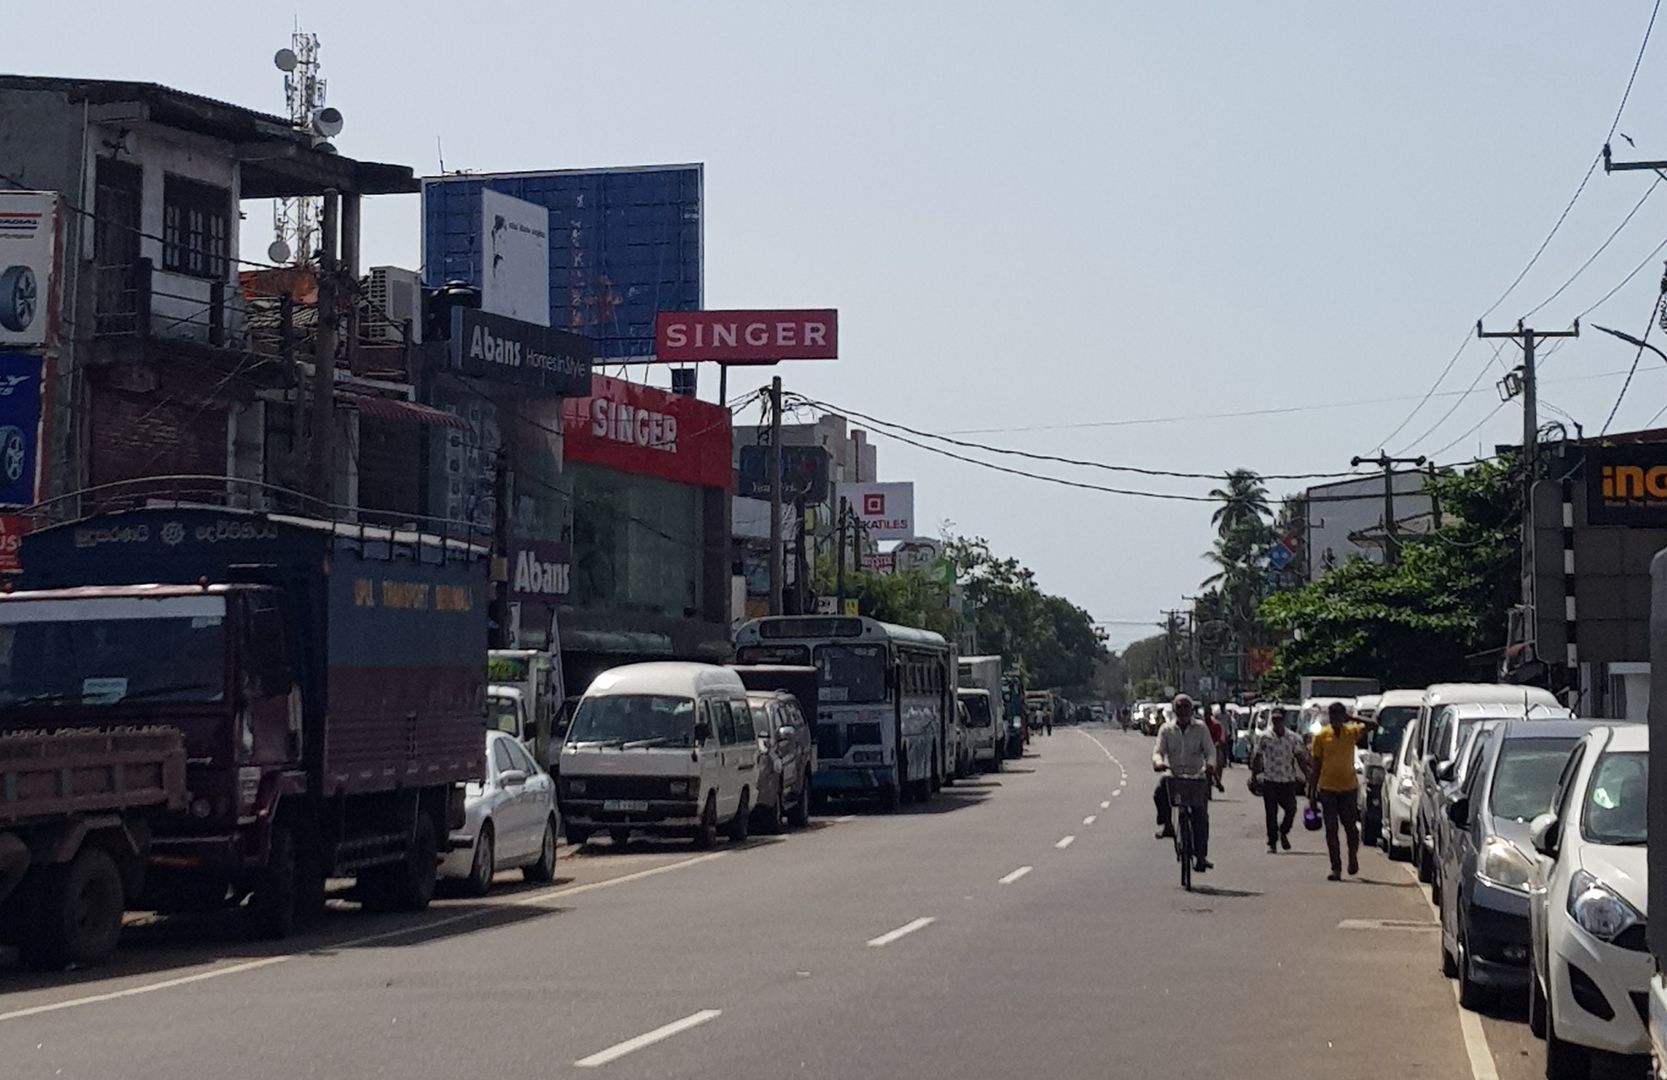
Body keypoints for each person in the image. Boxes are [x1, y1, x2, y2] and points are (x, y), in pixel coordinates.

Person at [1307, 701, 1379, 881]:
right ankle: (1336, 867)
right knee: (1331, 830)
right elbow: (1316, 766)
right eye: (1333, 715)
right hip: (1328, 788)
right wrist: (1311, 793)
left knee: (1351, 829)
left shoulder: (1350, 732)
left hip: (1348, 788)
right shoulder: (1322, 736)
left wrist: (1351, 717)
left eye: (1339, 715)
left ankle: (1352, 858)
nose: (1336, 719)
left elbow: (1373, 725)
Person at [1152, 693, 1216, 874]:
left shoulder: (1201, 729)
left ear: (1191, 710)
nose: (1182, 713)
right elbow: (1158, 751)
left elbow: (1211, 752)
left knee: (1200, 817)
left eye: (1186, 709)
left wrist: (1210, 766)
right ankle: (1167, 825)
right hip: (1174, 775)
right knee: (1159, 792)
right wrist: (1158, 763)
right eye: (1179, 709)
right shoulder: (1166, 729)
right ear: (1174, 711)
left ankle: (1201, 856)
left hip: (1196, 777)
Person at [1250, 706, 1308, 854]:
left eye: (1279, 719)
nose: (1276, 722)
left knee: (1291, 809)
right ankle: (1272, 842)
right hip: (1270, 779)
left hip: (1288, 780)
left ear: (1284, 720)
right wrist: (1254, 775)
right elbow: (1257, 757)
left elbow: (1300, 758)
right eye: (1274, 719)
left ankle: (1283, 831)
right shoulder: (1265, 737)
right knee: (1271, 813)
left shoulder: (1293, 738)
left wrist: (1308, 777)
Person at [1201, 704, 1228, 790]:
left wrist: (1216, 744)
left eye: (1208, 714)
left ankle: (1217, 781)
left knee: (1218, 763)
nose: (1206, 716)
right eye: (1205, 714)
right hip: (1202, 748)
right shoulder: (1200, 725)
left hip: (1214, 747)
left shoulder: (1216, 725)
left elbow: (1220, 738)